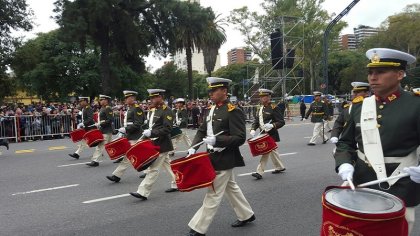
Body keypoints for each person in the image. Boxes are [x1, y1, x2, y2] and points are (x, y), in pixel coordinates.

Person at [334, 48, 420, 235]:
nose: (373, 77)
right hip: (362, 182)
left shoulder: (415, 105)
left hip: (401, 183)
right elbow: (345, 143)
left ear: (399, 74)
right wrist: (344, 164)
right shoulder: (358, 106)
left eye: (380, 72)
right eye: (371, 72)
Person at [186, 77, 255, 236]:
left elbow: (239, 138)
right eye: (210, 90)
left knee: (213, 193)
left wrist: (218, 140)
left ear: (224, 91)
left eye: (213, 90)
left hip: (224, 157)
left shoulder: (233, 110)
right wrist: (193, 148)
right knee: (231, 188)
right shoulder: (211, 109)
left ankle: (198, 227)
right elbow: (202, 130)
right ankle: (246, 214)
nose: (210, 93)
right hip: (212, 155)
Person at [129, 89, 175, 200]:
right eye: (150, 98)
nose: (151, 100)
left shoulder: (167, 110)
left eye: (154, 97)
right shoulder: (153, 110)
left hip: (162, 143)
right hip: (153, 142)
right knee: (168, 165)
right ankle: (178, 182)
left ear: (160, 97)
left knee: (153, 169)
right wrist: (146, 135)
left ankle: (143, 192)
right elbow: (151, 127)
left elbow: (167, 129)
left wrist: (152, 132)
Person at [106, 90, 145, 182]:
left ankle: (116, 175)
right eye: (126, 98)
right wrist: (125, 130)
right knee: (139, 155)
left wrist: (126, 129)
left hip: (135, 136)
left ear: (133, 98)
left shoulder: (136, 108)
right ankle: (148, 170)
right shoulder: (130, 108)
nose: (126, 100)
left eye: (127, 98)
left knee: (128, 156)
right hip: (130, 135)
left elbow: (138, 123)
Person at [249, 88, 286, 180]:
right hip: (262, 134)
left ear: (269, 97)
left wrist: (272, 125)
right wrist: (253, 129)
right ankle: (280, 167)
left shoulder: (274, 108)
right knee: (272, 151)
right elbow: (256, 121)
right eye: (261, 96)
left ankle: (259, 172)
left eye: (264, 96)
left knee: (265, 151)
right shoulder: (260, 108)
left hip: (271, 134)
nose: (262, 98)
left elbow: (281, 122)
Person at [86, 95, 114, 167]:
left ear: (106, 101)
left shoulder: (108, 108)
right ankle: (121, 156)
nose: (100, 101)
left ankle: (95, 161)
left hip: (106, 130)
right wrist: (98, 123)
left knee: (100, 146)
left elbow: (110, 120)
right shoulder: (102, 108)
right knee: (111, 145)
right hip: (103, 129)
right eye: (100, 100)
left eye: (102, 100)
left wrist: (101, 123)